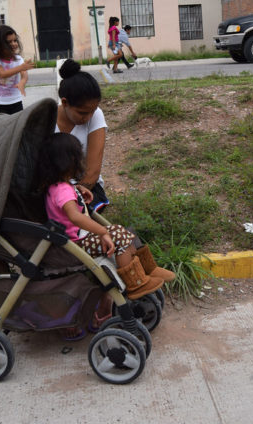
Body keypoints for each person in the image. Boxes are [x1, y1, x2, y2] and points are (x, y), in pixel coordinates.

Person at [38, 132, 173, 339]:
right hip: (75, 243)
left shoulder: (58, 187)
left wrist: (79, 189)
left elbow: (67, 201)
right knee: (118, 235)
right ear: (69, 161)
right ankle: (135, 283)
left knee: (123, 233)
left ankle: (147, 271)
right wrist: (101, 231)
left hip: (76, 239)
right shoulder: (62, 191)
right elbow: (74, 217)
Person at [55, 59, 110, 212]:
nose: (88, 117)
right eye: (82, 113)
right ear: (65, 103)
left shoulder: (96, 115)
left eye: (93, 111)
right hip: (54, 188)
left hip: (85, 187)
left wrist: (74, 196)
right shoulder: (46, 119)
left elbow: (92, 172)